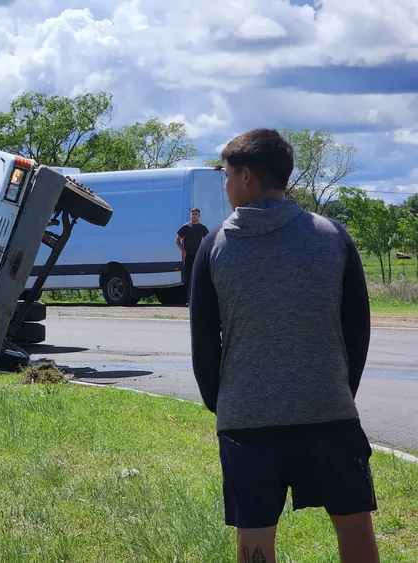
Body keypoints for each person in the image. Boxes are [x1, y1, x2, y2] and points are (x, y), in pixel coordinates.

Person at [188, 128, 378, 563]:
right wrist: (338, 391)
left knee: (254, 539)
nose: (226, 185)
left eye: (227, 175)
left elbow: (204, 342)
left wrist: (224, 402)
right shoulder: (333, 236)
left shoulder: (215, 246)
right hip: (328, 413)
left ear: (247, 177)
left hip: (247, 421)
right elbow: (357, 330)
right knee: (354, 526)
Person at [176, 208, 209, 301]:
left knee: (198, 277)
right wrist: (183, 250)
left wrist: (204, 251)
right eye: (192, 214)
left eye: (195, 214)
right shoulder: (186, 227)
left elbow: (208, 240)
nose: (194, 215)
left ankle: (198, 299)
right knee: (189, 278)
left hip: (198, 256)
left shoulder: (202, 228)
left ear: (199, 215)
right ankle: (189, 300)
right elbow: (177, 240)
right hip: (188, 256)